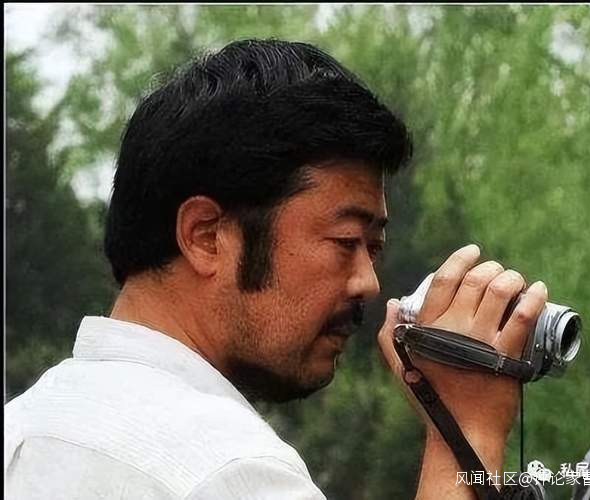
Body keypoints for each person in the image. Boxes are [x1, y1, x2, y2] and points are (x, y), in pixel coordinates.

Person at [4, 39, 548, 499]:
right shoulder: (229, 469)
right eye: (346, 241)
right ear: (206, 236)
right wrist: (465, 430)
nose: (368, 282)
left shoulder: (25, 428)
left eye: (374, 248)